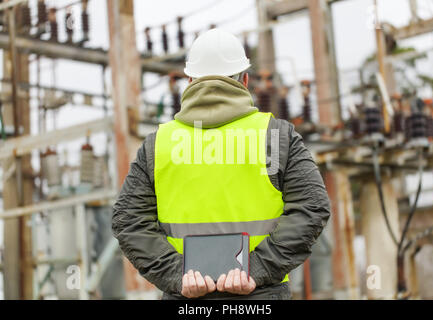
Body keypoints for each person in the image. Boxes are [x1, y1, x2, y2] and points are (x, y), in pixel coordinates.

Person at [112, 28, 331, 300]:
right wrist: (256, 268)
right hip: (260, 298)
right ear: (245, 79)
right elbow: (313, 206)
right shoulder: (275, 137)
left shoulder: (158, 145)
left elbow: (127, 220)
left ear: (189, 80)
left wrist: (176, 274)